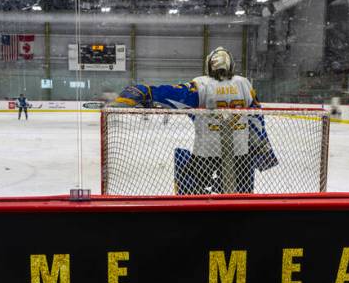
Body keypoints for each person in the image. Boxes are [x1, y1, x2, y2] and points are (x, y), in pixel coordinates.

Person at [114, 47, 276, 194]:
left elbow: (176, 95)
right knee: (242, 196)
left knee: (188, 179)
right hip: (240, 153)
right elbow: (256, 119)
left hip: (207, 151)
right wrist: (262, 148)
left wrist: (148, 92)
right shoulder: (244, 84)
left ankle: (193, 208)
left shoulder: (203, 84)